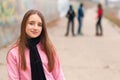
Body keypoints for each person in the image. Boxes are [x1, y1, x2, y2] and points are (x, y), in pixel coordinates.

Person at [6, 9, 65, 80]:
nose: (35, 28)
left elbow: (59, 75)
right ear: (24, 25)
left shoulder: (48, 48)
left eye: (39, 25)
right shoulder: (14, 53)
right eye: (31, 23)